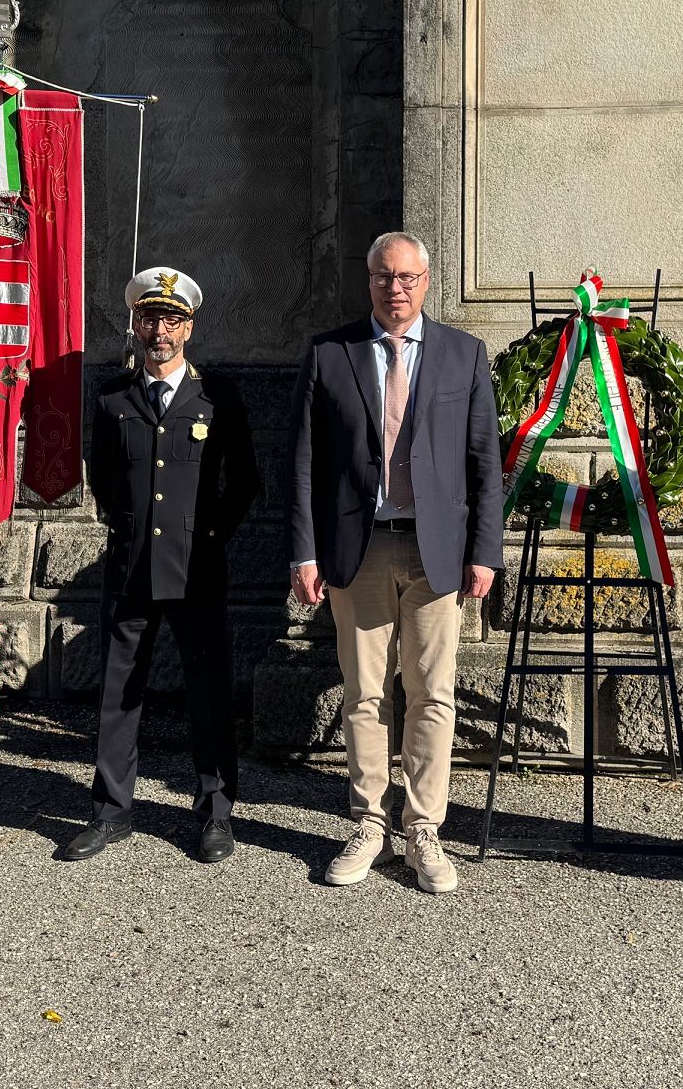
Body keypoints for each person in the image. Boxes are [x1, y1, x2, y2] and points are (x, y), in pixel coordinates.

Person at [288, 231, 503, 893]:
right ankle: (369, 824)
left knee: (432, 693)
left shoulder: (462, 355)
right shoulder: (331, 354)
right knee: (365, 694)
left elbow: (484, 462)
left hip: (438, 551)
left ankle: (425, 829)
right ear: (369, 279)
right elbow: (303, 461)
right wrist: (304, 550)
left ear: (426, 281)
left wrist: (485, 552)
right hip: (360, 548)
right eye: (384, 276)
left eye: (407, 277)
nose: (395, 288)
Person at [61, 267, 260, 865]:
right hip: (130, 567)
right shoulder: (112, 398)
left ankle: (215, 813)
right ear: (136, 325)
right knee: (119, 692)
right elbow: (102, 476)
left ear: (189, 327)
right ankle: (110, 811)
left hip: (196, 568)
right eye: (149, 319)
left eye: (171, 320)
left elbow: (245, 481)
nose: (160, 331)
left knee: (207, 693)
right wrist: (124, 528)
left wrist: (211, 535)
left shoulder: (216, 397)